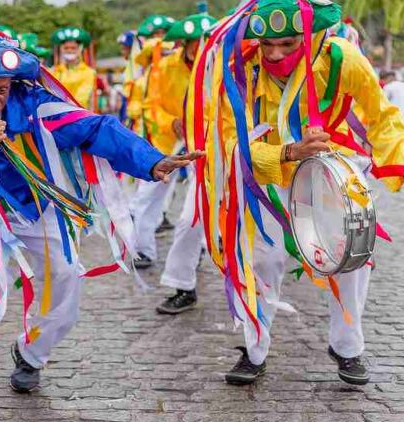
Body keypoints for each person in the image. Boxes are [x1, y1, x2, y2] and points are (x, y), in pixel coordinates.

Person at [0, 32, 202, 408]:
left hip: (39, 207)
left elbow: (94, 128)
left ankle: (31, 353)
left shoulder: (30, 102)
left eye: (1, 90)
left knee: (66, 278)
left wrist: (150, 161)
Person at [191, 0, 404, 386]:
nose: (274, 54)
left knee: (350, 259)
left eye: (288, 44)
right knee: (260, 260)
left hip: (331, 169)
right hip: (267, 174)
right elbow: (224, 139)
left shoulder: (343, 58)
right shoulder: (240, 65)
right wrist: (287, 152)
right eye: (266, 43)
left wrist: (399, 164)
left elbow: (383, 116)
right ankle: (254, 349)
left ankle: (347, 346)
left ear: (313, 35)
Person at [141, 12, 215, 315]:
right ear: (184, 43)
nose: (200, 46)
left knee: (197, 218)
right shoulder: (166, 66)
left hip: (216, 147)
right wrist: (171, 122)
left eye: (206, 40)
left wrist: (205, 125)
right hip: (174, 142)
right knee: (159, 203)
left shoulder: (223, 66)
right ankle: (182, 284)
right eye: (195, 41)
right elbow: (151, 104)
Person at [127, 14, 177, 236]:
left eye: (163, 35)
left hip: (175, 135)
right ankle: (138, 221)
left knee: (167, 185)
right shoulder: (143, 76)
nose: (160, 41)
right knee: (147, 181)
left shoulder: (172, 71)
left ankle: (156, 217)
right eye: (155, 36)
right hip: (148, 133)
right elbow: (136, 104)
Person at [50, 27, 98, 111]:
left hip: (79, 117)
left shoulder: (89, 72)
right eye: (66, 48)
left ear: (80, 49)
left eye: (73, 48)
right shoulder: (54, 71)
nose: (69, 51)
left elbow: (82, 99)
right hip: (56, 116)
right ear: (61, 49)